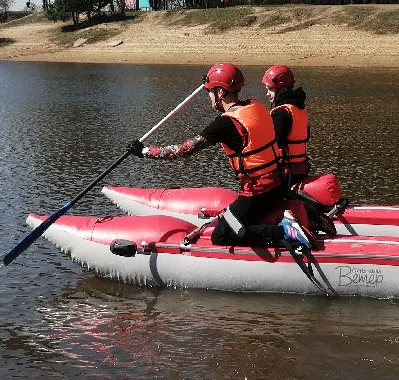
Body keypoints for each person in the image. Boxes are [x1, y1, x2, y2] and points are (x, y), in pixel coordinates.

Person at [134, 62, 313, 252]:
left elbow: (183, 150)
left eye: (210, 91)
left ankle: (284, 232)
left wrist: (145, 152)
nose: (209, 96)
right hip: (277, 187)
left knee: (220, 234)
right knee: (237, 218)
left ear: (220, 93)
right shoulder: (256, 106)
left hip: (259, 192)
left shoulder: (225, 124)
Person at [262, 65, 311, 190]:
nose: (267, 94)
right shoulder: (298, 108)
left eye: (270, 89)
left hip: (287, 171)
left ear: (283, 90)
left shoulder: (281, 113)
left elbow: (273, 142)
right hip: (301, 168)